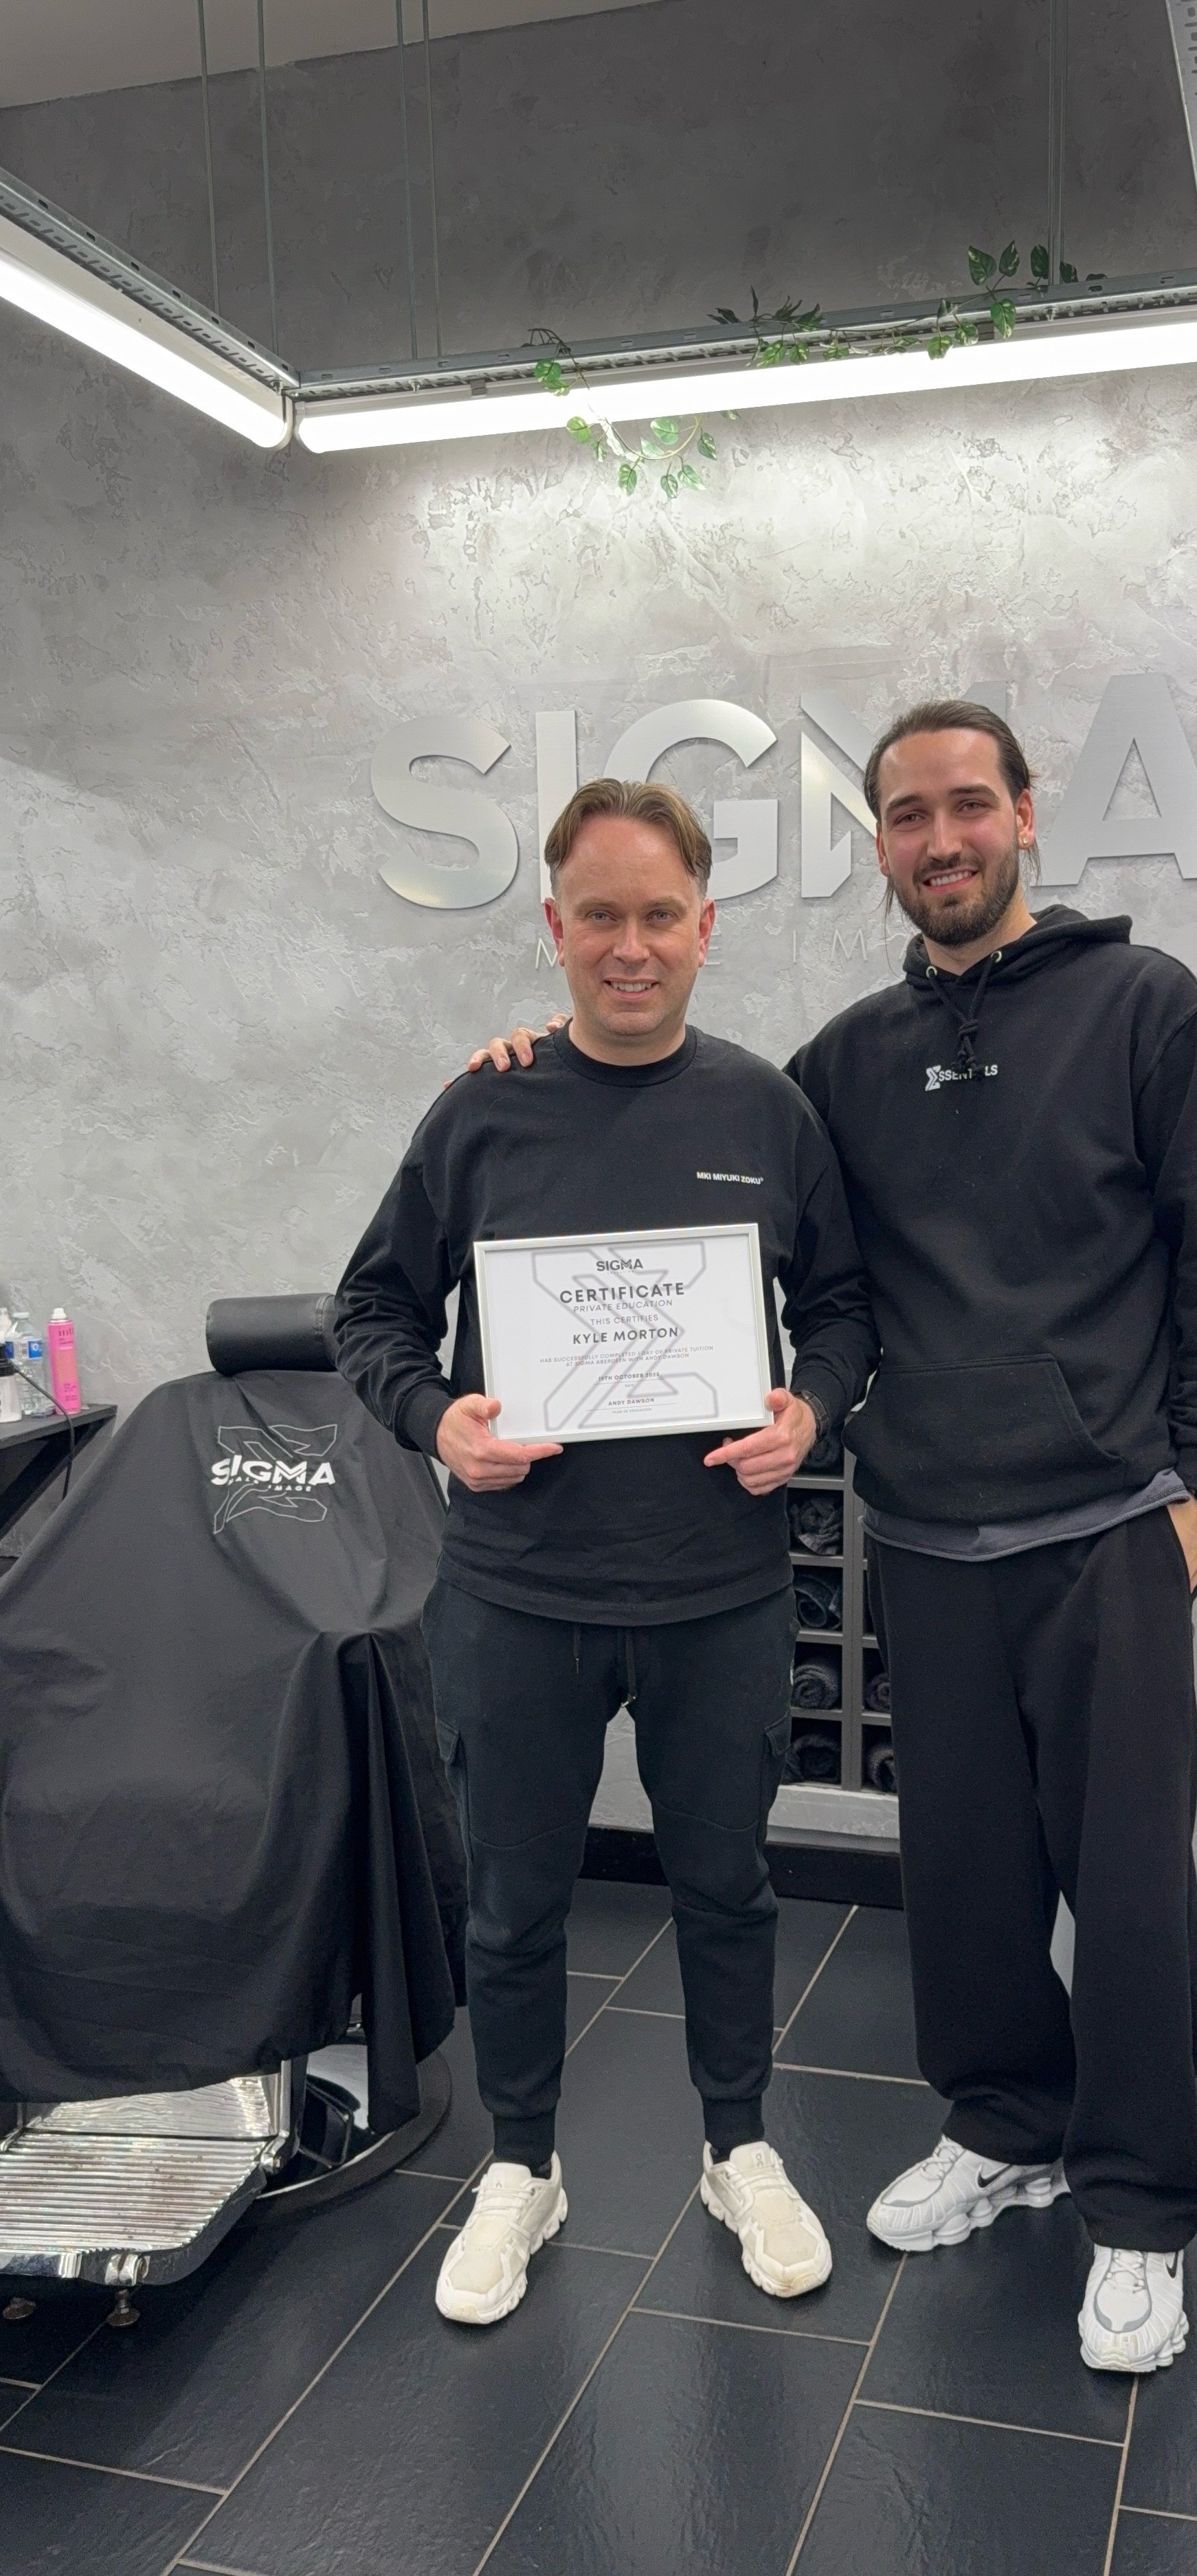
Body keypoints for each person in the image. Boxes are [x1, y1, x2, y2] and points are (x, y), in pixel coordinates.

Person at [466, 701, 1197, 2374]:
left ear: (1027, 817)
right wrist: (525, 1067)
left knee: (1125, 1889)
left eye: (967, 806)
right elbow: (734, 1197)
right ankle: (1003, 2128)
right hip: (929, 1531)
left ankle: (1136, 2214)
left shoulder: (1148, 1009)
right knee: (966, 1877)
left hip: (1115, 1523)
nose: (939, 840)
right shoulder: (844, 1063)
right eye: (907, 816)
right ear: (883, 849)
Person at [334, 776, 876, 2325]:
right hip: (518, 1596)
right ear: (555, 929)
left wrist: (812, 1411)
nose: (628, 947)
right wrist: (441, 1422)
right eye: (599, 918)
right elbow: (368, 1313)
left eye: (658, 917)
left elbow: (842, 1310)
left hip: (721, 1592)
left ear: (706, 930)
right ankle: (525, 2166)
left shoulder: (767, 1112)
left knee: (727, 1886)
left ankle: (739, 2145)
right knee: (511, 1901)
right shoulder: (481, 1110)